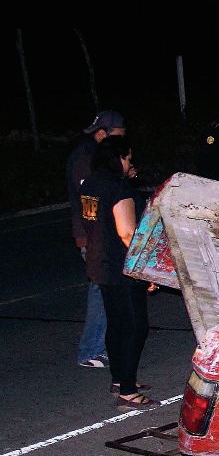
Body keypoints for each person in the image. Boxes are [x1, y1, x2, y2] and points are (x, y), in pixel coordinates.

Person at [80, 136, 157, 409]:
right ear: (118, 158)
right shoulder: (118, 188)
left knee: (116, 323)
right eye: (127, 158)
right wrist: (145, 269)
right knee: (136, 326)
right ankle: (128, 391)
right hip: (121, 266)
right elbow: (127, 233)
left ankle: (120, 379)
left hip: (99, 262)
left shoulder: (91, 184)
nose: (130, 163)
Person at [67, 110, 126, 368]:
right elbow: (90, 199)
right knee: (100, 292)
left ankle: (100, 345)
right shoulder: (86, 158)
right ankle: (91, 350)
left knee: (104, 290)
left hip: (98, 236)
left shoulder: (97, 157)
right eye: (116, 138)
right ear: (102, 134)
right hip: (93, 237)